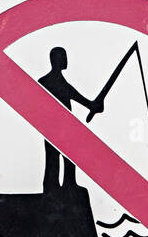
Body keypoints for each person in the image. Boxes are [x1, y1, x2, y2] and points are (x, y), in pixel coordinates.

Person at [38, 47, 103, 193]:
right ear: (56, 60)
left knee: (68, 156)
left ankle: (68, 183)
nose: (66, 60)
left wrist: (92, 105)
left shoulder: (56, 81)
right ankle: (53, 186)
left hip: (65, 126)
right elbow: (75, 95)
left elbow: (75, 95)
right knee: (55, 157)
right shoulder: (47, 81)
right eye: (63, 57)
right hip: (55, 127)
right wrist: (92, 105)